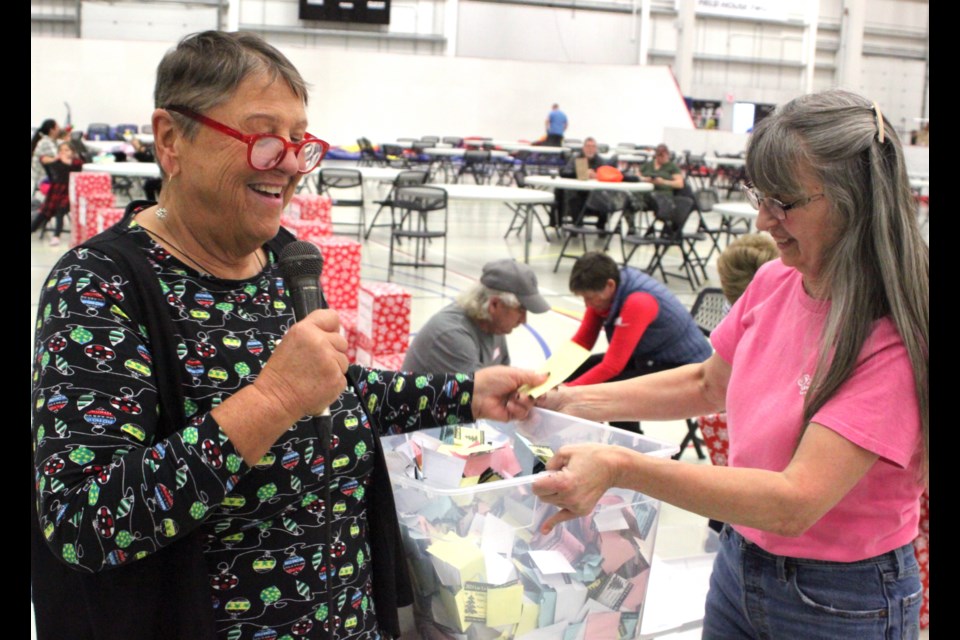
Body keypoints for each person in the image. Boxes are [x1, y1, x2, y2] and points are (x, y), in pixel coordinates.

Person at [30, 30, 547, 640]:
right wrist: (271, 401)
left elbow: (336, 391)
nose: (291, 164)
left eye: (301, 142)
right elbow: (83, 523)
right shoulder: (101, 285)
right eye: (265, 137)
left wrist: (463, 393)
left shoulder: (283, 263)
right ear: (172, 140)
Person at [533, 89, 928, 639]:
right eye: (759, 196)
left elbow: (795, 503)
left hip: (842, 600)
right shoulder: (774, 282)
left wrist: (623, 467)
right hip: (740, 563)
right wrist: (569, 399)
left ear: (854, 200)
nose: (764, 220)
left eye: (784, 201)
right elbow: (706, 381)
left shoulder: (890, 338)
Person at [563, 251, 712, 434]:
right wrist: (549, 379)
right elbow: (582, 342)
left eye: (589, 298)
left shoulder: (638, 302)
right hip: (651, 355)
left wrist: (568, 393)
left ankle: (632, 449)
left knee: (616, 394)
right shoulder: (605, 292)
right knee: (580, 369)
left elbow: (612, 366)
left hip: (686, 368)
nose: (587, 305)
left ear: (610, 286)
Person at [402, 258, 550, 373]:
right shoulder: (452, 335)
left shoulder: (495, 326)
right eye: (521, 310)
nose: (524, 320)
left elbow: (503, 372)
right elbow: (482, 396)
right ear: (494, 305)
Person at [554, 137, 616, 229]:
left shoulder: (600, 161)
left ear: (596, 149)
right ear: (583, 148)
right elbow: (564, 172)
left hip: (595, 194)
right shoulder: (576, 158)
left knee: (609, 200)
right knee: (573, 198)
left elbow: (609, 174)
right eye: (588, 146)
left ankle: (601, 226)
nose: (590, 149)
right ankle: (577, 226)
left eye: (593, 147)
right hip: (578, 193)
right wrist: (580, 174)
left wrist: (597, 175)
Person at [33, 141, 82, 246]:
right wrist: (54, 159)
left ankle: (56, 236)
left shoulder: (76, 162)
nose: (64, 152)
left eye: (67, 150)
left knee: (60, 211)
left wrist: (66, 161)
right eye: (61, 150)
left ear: (73, 152)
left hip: (69, 193)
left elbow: (77, 166)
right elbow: (42, 159)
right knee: (44, 212)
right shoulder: (57, 162)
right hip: (55, 191)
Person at [31, 118, 60, 198]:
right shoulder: (46, 142)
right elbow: (58, 157)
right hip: (42, 177)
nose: (60, 128)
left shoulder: (51, 140)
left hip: (47, 174)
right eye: (58, 127)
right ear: (52, 130)